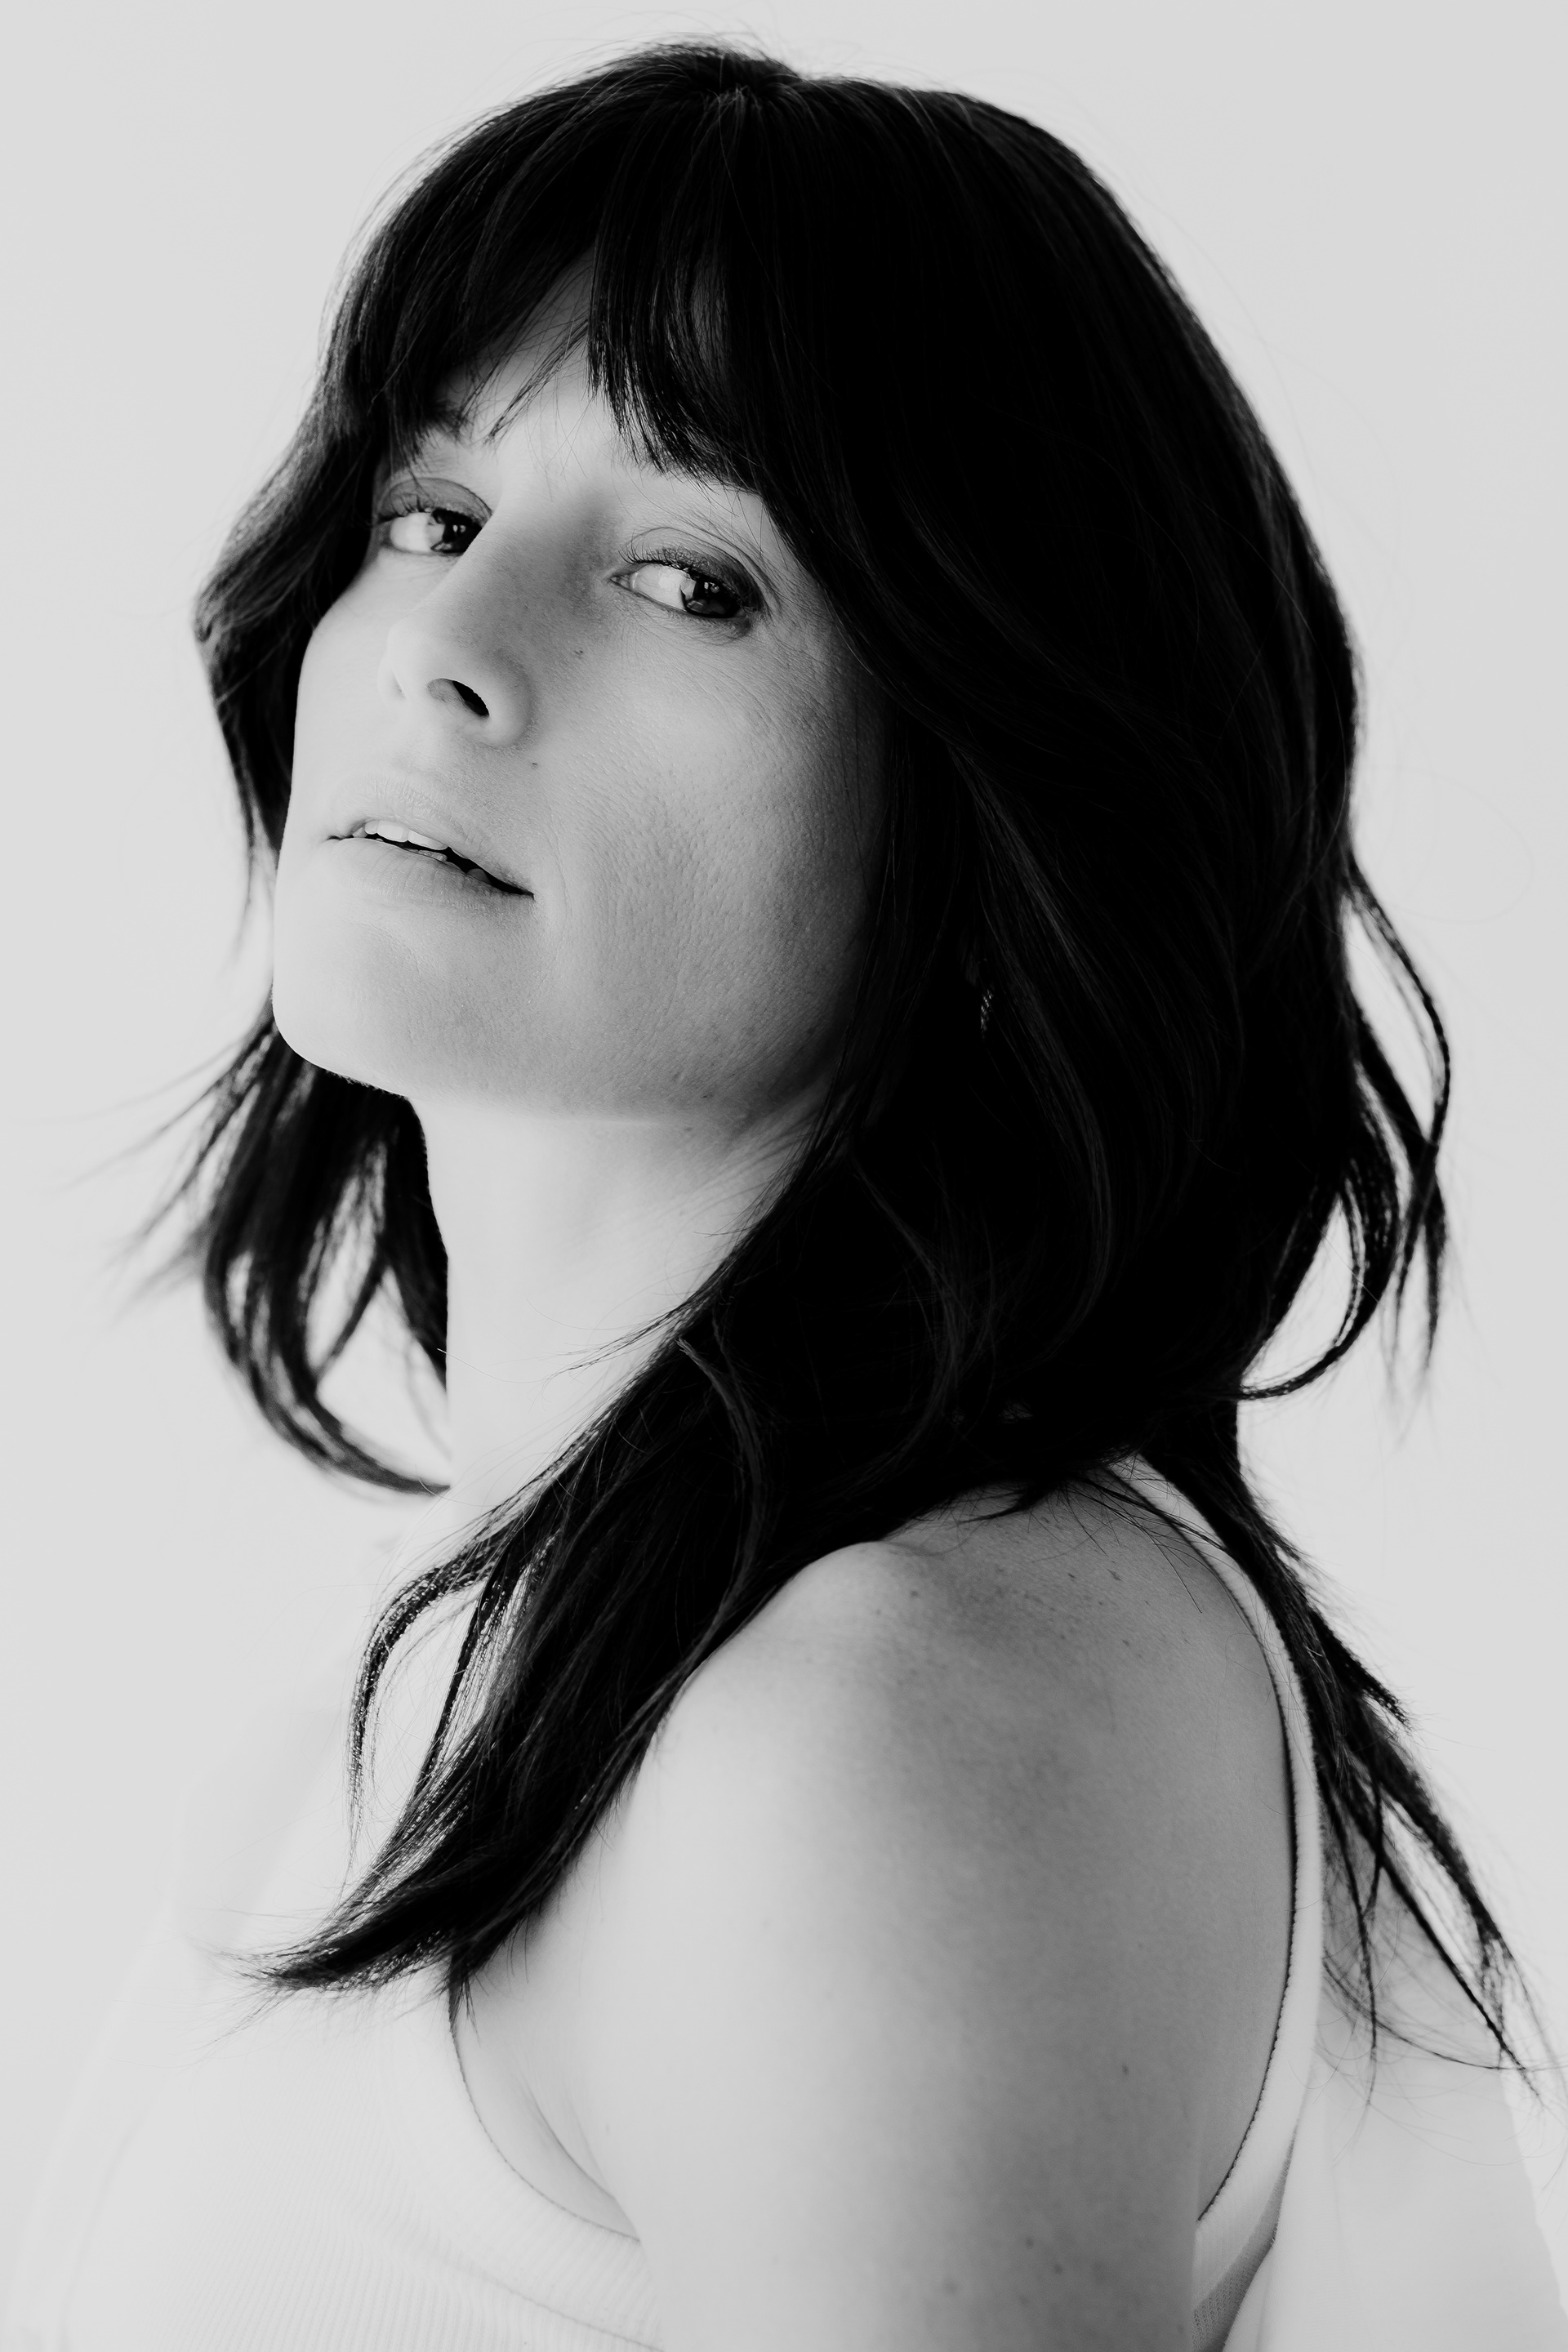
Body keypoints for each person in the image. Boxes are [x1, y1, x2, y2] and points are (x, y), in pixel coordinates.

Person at [6, 40, 1564, 2352]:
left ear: (995, 812)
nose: (445, 646)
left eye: (688, 579)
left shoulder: (862, 1730)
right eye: (429, 509)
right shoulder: (554, 1660)